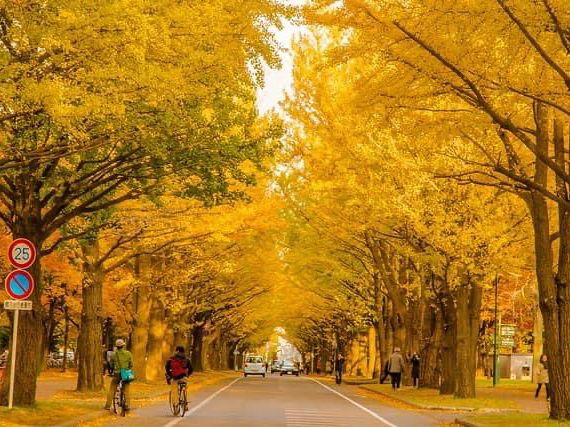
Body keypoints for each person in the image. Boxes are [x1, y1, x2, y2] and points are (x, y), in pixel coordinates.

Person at [104, 339, 133, 411]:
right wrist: (127, 369)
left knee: (112, 389)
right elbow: (131, 364)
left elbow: (111, 364)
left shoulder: (114, 354)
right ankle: (128, 405)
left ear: (116, 346)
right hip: (125, 373)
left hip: (117, 373)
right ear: (123, 346)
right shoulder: (128, 353)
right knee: (126, 390)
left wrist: (113, 370)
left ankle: (108, 405)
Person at [165, 346, 194, 410]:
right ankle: (185, 404)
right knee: (185, 388)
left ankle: (176, 404)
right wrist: (187, 375)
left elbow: (167, 368)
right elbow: (191, 369)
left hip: (174, 378)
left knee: (174, 390)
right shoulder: (186, 359)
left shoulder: (171, 359)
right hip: (183, 377)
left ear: (176, 351)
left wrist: (170, 375)